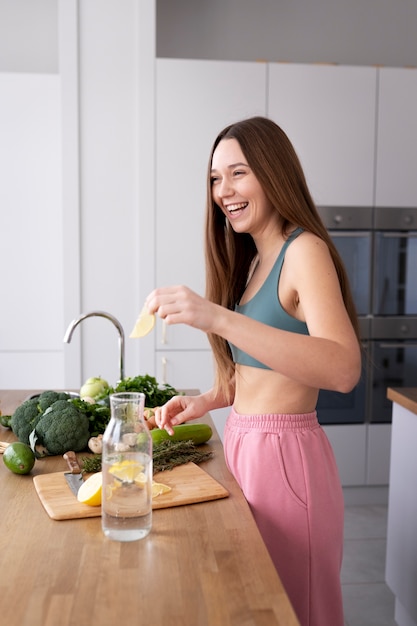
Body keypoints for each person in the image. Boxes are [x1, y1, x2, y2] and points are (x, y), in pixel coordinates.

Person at [146, 116, 362, 626]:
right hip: (245, 445)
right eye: (216, 179)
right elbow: (267, 367)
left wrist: (216, 316)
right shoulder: (252, 260)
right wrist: (209, 400)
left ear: (273, 172)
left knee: (297, 609)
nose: (224, 191)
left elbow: (342, 367)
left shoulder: (303, 251)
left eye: (238, 173)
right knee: (253, 605)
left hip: (287, 459)